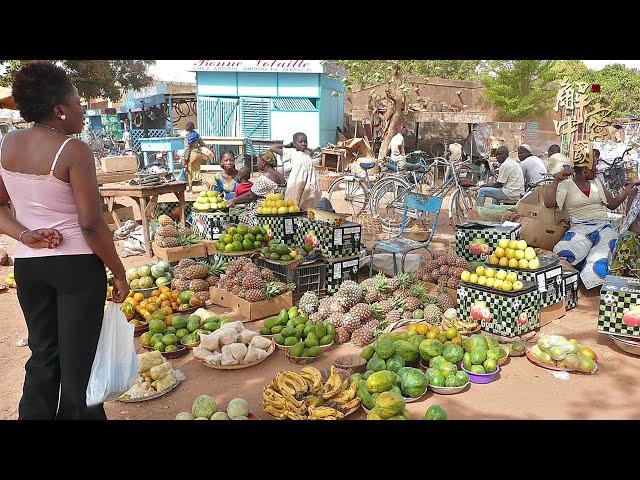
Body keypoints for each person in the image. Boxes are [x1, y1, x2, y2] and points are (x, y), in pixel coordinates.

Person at [1, 61, 129, 420]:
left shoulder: (8, 143)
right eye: (78, 102)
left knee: (43, 355)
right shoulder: (73, 151)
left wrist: (24, 234)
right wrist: (118, 272)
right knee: (79, 364)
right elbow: (91, 224)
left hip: (28, 266)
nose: (83, 110)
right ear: (59, 110)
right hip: (75, 268)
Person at [544, 145, 636, 289]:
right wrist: (556, 180)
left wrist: (628, 188)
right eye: (594, 166)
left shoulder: (597, 182)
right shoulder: (566, 185)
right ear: (585, 170)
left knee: (607, 253)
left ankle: (588, 277)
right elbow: (549, 203)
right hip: (580, 227)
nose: (597, 169)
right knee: (563, 250)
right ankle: (577, 272)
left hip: (603, 226)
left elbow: (612, 204)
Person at [227, 150, 286, 226]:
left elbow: (250, 196)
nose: (257, 163)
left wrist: (233, 201)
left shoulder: (265, 178)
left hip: (265, 210)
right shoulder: (280, 175)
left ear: (264, 162)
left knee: (242, 217)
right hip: (278, 207)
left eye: (258, 161)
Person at [272, 132, 322, 210]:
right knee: (294, 200)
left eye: (305, 142)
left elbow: (311, 152)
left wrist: (304, 147)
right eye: (300, 141)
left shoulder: (307, 152)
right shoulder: (291, 152)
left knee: (308, 200)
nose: (304, 144)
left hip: (309, 182)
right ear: (294, 143)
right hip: (297, 180)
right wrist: (287, 145)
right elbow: (272, 147)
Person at [182, 121, 207, 192]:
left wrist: (185, 159)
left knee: (191, 172)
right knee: (195, 170)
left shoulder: (187, 137)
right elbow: (202, 144)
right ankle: (190, 189)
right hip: (198, 154)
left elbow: (187, 150)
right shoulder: (197, 135)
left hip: (192, 155)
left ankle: (207, 183)